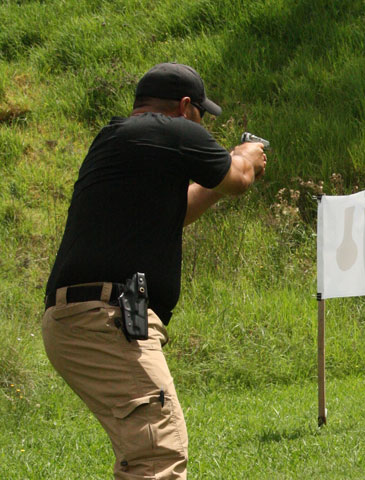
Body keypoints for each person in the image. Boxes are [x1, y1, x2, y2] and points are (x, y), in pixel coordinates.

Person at [41, 62, 267, 479]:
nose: (202, 123)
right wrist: (244, 156)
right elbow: (238, 179)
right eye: (201, 114)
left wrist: (222, 179)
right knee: (157, 453)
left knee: (145, 449)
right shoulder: (177, 130)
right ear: (185, 107)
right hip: (105, 318)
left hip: (78, 318)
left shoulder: (115, 138)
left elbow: (175, 213)